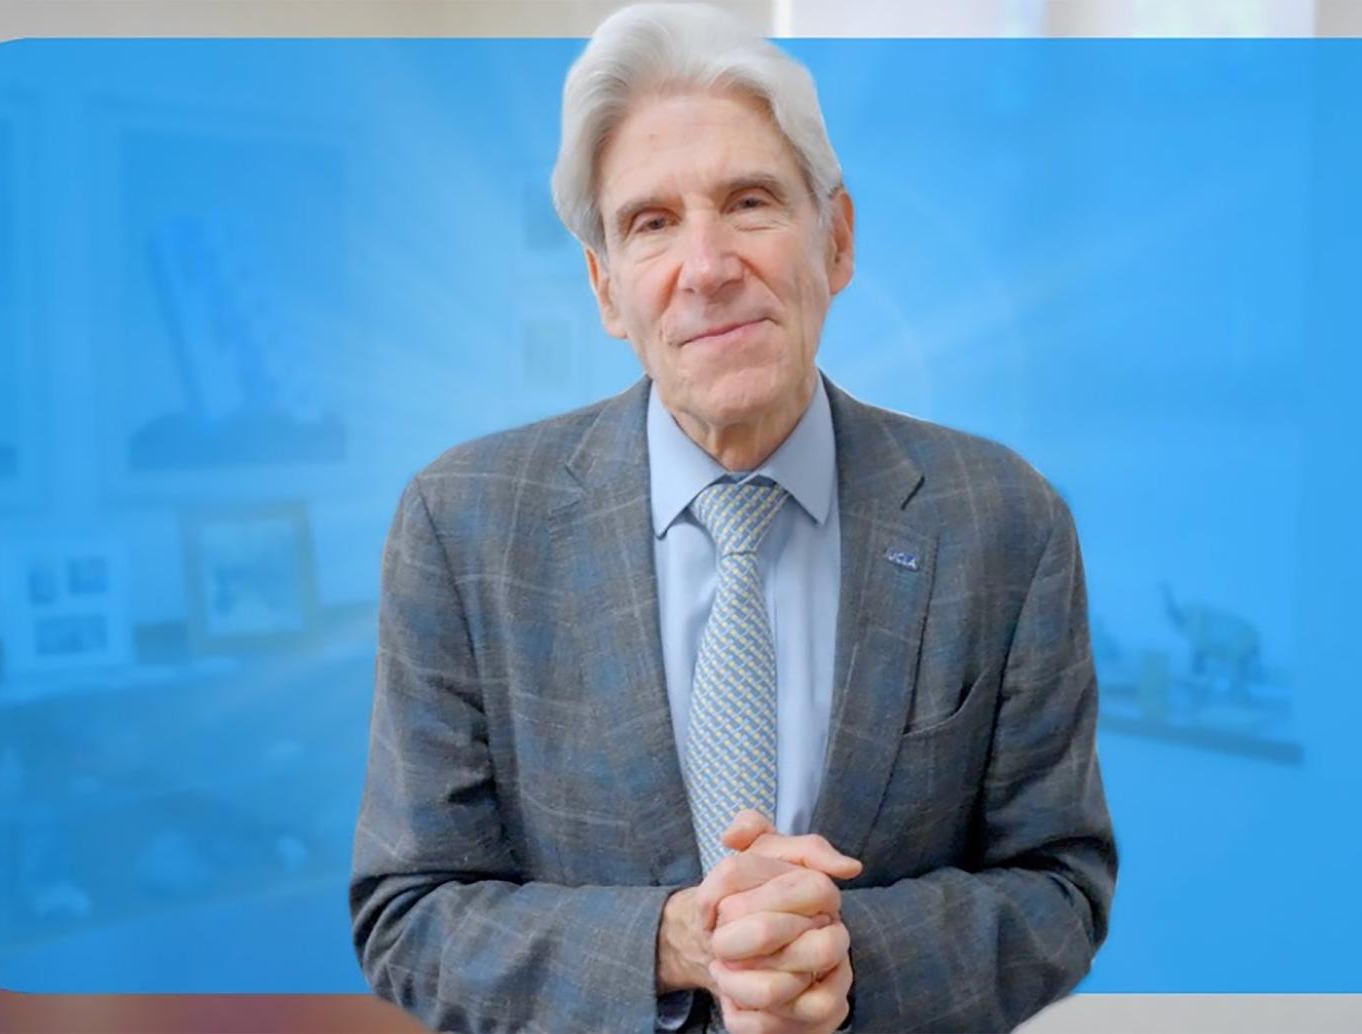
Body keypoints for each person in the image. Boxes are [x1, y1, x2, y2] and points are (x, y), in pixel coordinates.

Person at [349, 4, 1117, 1031]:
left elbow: (1058, 884)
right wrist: (677, 941)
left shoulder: (1006, 522)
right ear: (606, 287)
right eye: (651, 223)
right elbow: (409, 910)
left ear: (834, 241)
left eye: (748, 202)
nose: (705, 267)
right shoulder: (462, 526)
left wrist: (845, 951)